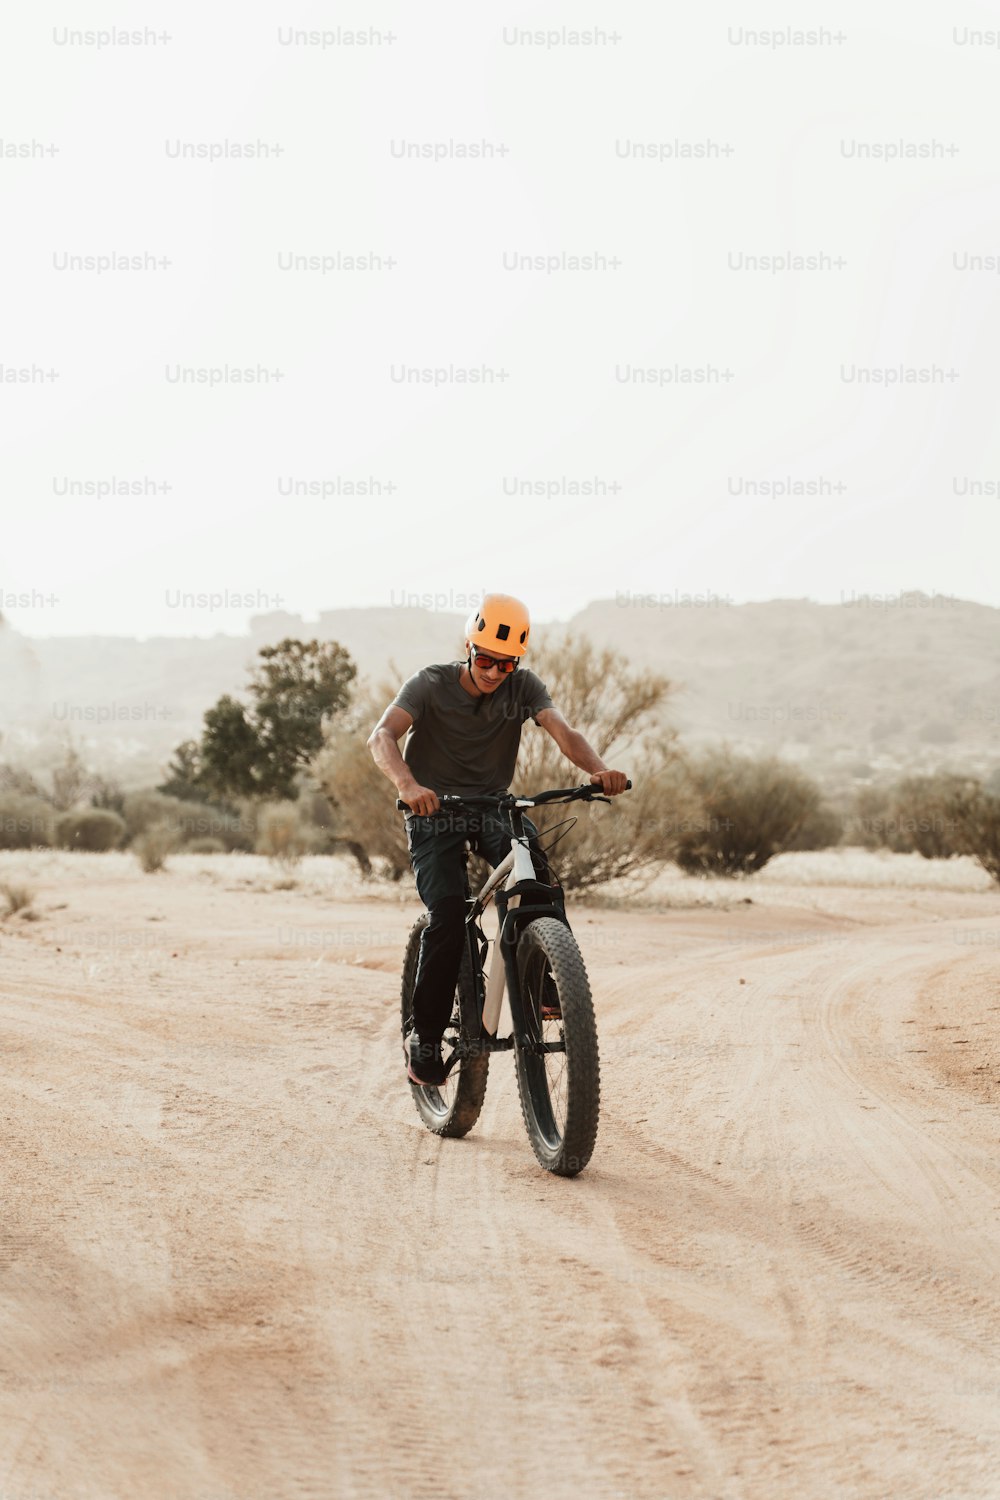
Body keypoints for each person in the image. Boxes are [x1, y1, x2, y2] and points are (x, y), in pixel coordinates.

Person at [367, 592, 628, 1087]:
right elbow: (382, 737)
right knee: (445, 916)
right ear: (469, 648)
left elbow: (563, 730)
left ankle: (547, 977)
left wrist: (598, 770)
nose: (494, 672)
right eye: (486, 660)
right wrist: (409, 786)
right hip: (434, 811)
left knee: (539, 879)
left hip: (491, 805)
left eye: (505, 664)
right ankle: (423, 1039)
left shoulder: (523, 687)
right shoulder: (429, 683)